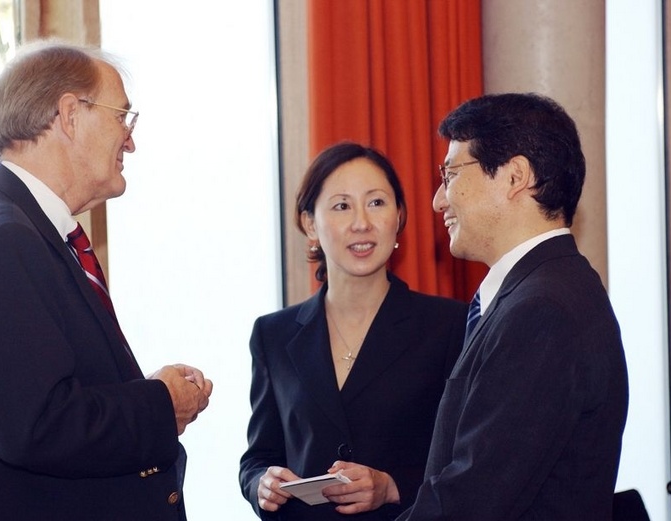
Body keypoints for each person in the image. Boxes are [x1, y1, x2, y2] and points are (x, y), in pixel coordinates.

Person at [0, 41, 213, 521]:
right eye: (123, 117)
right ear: (70, 115)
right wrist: (161, 403)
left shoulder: (10, 227)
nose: (131, 140)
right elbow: (41, 426)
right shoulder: (2, 240)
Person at [397, 93, 629, 520]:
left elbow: (473, 499)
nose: (437, 201)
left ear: (514, 176)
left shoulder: (544, 311)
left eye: (449, 175)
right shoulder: (540, 292)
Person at [238, 141, 468, 520]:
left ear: (399, 217)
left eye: (376, 203)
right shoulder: (273, 335)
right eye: (342, 206)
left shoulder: (448, 325)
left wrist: (392, 486)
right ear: (310, 223)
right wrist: (260, 482)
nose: (362, 222)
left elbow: (466, 460)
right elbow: (259, 457)